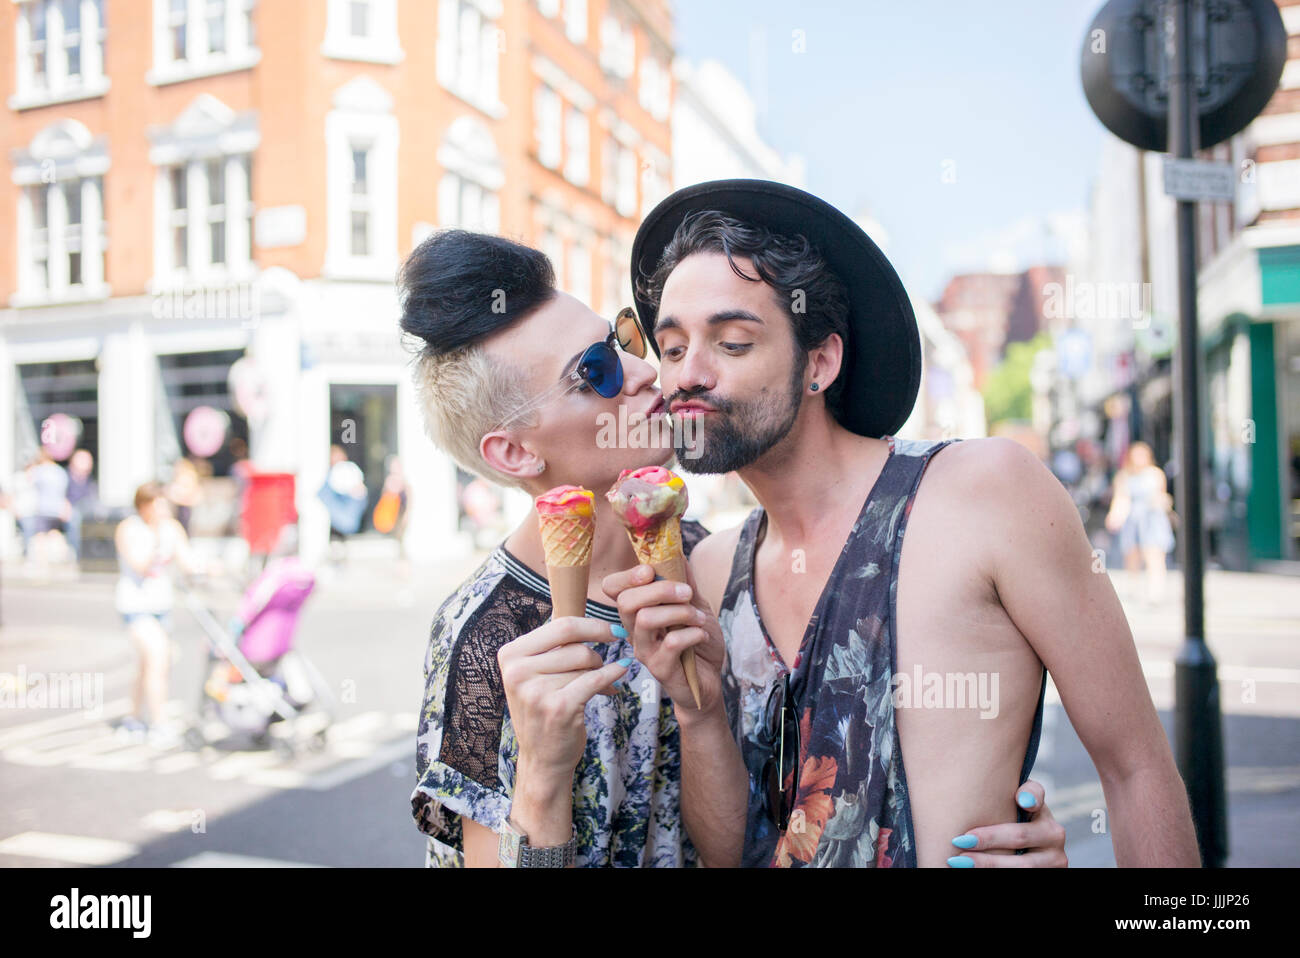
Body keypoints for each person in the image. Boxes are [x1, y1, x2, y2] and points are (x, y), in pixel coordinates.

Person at [399, 229, 1065, 867]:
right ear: (514, 451)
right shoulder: (486, 636)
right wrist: (542, 778)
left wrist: (990, 813)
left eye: (625, 338)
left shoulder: (709, 561)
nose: (641, 372)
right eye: (594, 372)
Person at [602, 180, 1200, 867]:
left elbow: (1136, 770)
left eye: (732, 342)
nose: (687, 375)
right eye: (672, 349)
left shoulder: (985, 493)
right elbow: (730, 850)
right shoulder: (710, 568)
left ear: (819, 362)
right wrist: (698, 709)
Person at [114, 481, 207, 748]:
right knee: (158, 658)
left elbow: (187, 561)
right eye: (159, 504)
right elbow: (139, 565)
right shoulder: (129, 529)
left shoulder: (172, 529)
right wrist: (156, 540)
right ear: (144, 505)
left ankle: (132, 718)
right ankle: (159, 722)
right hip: (135, 606)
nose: (164, 509)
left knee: (145, 665)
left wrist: (207, 568)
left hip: (160, 607)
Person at [1105, 441, 1176, 605]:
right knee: (1132, 555)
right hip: (1133, 519)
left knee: (1154, 555)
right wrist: (1115, 515)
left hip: (1152, 517)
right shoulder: (1124, 476)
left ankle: (1156, 591)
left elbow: (1161, 495)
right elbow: (1121, 498)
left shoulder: (1155, 474)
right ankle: (1134, 586)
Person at [318, 445, 367, 564]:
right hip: (336, 514)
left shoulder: (349, 471)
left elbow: (360, 493)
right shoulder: (329, 476)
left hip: (345, 514)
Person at [29, 448, 71, 566]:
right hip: (57, 509)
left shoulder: (39, 471)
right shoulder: (60, 472)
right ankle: (60, 556)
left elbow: (30, 482)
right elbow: (64, 491)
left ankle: (41, 560)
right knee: (55, 533)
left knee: (41, 535)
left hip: (42, 508)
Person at [65, 449, 99, 562]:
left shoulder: (90, 480)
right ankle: (78, 554)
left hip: (87, 509)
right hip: (71, 509)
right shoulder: (66, 477)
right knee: (75, 520)